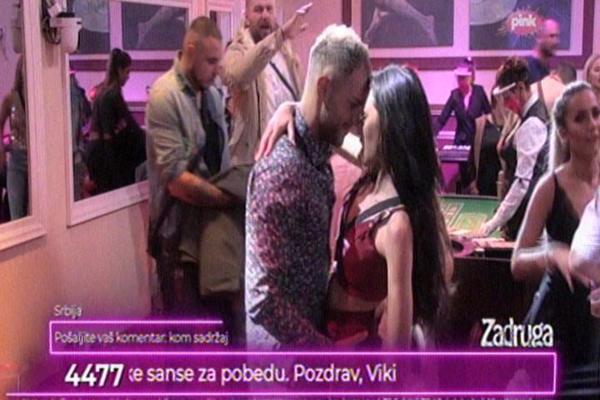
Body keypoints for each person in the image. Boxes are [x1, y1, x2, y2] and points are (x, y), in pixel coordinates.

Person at [245, 24, 371, 349]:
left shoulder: (318, 144)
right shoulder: (282, 169)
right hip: (282, 364)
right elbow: (262, 299)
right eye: (352, 105)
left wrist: (290, 107)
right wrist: (324, 353)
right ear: (325, 87)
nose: (356, 119)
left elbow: (366, 153)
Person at [326, 65, 448, 348]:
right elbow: (327, 132)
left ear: (389, 125)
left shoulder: (396, 225)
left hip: (359, 355)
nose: (356, 125)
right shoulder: (371, 175)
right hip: (332, 342)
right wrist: (289, 110)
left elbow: (397, 349)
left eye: (364, 116)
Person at [146, 17, 233, 316]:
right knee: (183, 330)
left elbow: (221, 158)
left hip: (209, 233)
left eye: (218, 61)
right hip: (176, 239)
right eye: (211, 61)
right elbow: (176, 181)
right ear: (191, 50)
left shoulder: (212, 95)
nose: (217, 69)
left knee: (218, 325)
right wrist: (228, 199)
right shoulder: (164, 96)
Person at [511, 81, 600, 369]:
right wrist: (552, 254)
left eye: (596, 113)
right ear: (563, 132)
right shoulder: (550, 186)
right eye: (580, 118)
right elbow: (517, 262)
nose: (592, 124)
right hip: (556, 329)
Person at [222, 0, 308, 165]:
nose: (265, 15)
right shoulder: (237, 51)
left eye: (269, 9)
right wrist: (281, 35)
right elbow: (237, 76)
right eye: (258, 10)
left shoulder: (286, 54)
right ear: (246, 17)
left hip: (288, 157)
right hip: (254, 160)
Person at [474, 57, 549, 240]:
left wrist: (491, 224)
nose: (506, 104)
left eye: (507, 98)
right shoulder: (526, 116)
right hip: (523, 217)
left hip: (526, 221)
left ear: (520, 88)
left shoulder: (532, 124)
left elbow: (522, 184)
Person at [87, 48, 146, 195]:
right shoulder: (113, 95)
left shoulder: (102, 92)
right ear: (120, 70)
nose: (128, 77)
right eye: (127, 72)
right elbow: (120, 128)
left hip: (97, 154)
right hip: (106, 159)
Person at [436, 58, 492, 147]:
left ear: (471, 77)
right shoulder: (454, 95)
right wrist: (432, 134)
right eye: (459, 78)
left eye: (463, 78)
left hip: (477, 140)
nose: (460, 81)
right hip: (460, 142)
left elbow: (489, 115)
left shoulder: (479, 92)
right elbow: (442, 119)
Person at [0, 55, 28, 220]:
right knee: (16, 213)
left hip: (36, 162)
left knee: (36, 213)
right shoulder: (11, 98)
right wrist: (1, 151)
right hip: (17, 161)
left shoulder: (38, 99)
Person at [465, 90, 504, 196]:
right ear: (496, 100)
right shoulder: (480, 124)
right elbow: (472, 156)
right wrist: (473, 182)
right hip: (483, 186)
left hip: (504, 186)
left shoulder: (513, 123)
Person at [526, 18, 560, 84]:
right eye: (552, 36)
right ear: (539, 38)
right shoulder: (527, 69)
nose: (556, 42)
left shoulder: (545, 68)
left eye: (557, 36)